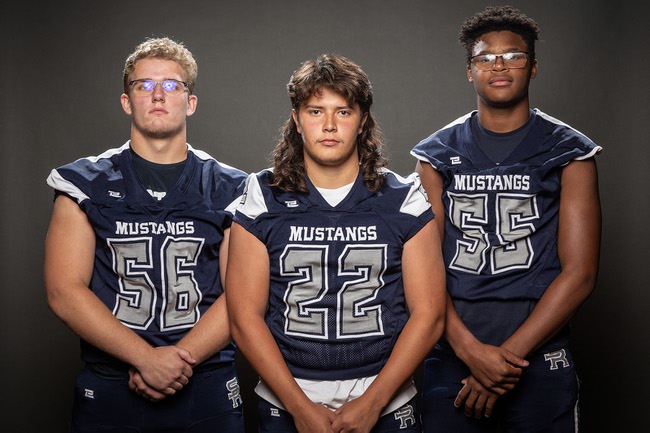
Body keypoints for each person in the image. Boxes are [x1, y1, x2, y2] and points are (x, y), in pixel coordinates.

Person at [225, 53, 446, 433]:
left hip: (385, 394)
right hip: (286, 392)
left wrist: (373, 402)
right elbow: (244, 316)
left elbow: (429, 315)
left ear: (362, 122)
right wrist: (298, 406)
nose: (329, 125)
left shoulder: (404, 197)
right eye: (315, 111)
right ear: (296, 119)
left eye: (343, 112)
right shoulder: (262, 195)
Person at [411, 5, 602, 432]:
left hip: (539, 355)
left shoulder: (569, 150)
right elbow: (423, 269)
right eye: (485, 57)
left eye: (513, 56)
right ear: (469, 70)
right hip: (453, 351)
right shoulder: (436, 154)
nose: (499, 65)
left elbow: (581, 273)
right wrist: (472, 352)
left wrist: (506, 361)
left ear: (533, 67)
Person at [44, 37, 247, 432]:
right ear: (127, 101)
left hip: (204, 380)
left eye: (172, 85)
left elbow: (241, 292)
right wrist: (144, 358)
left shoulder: (230, 186)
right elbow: (63, 291)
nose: (157, 94)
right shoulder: (84, 181)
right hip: (110, 381)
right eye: (143, 85)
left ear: (190, 102)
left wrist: (174, 361)